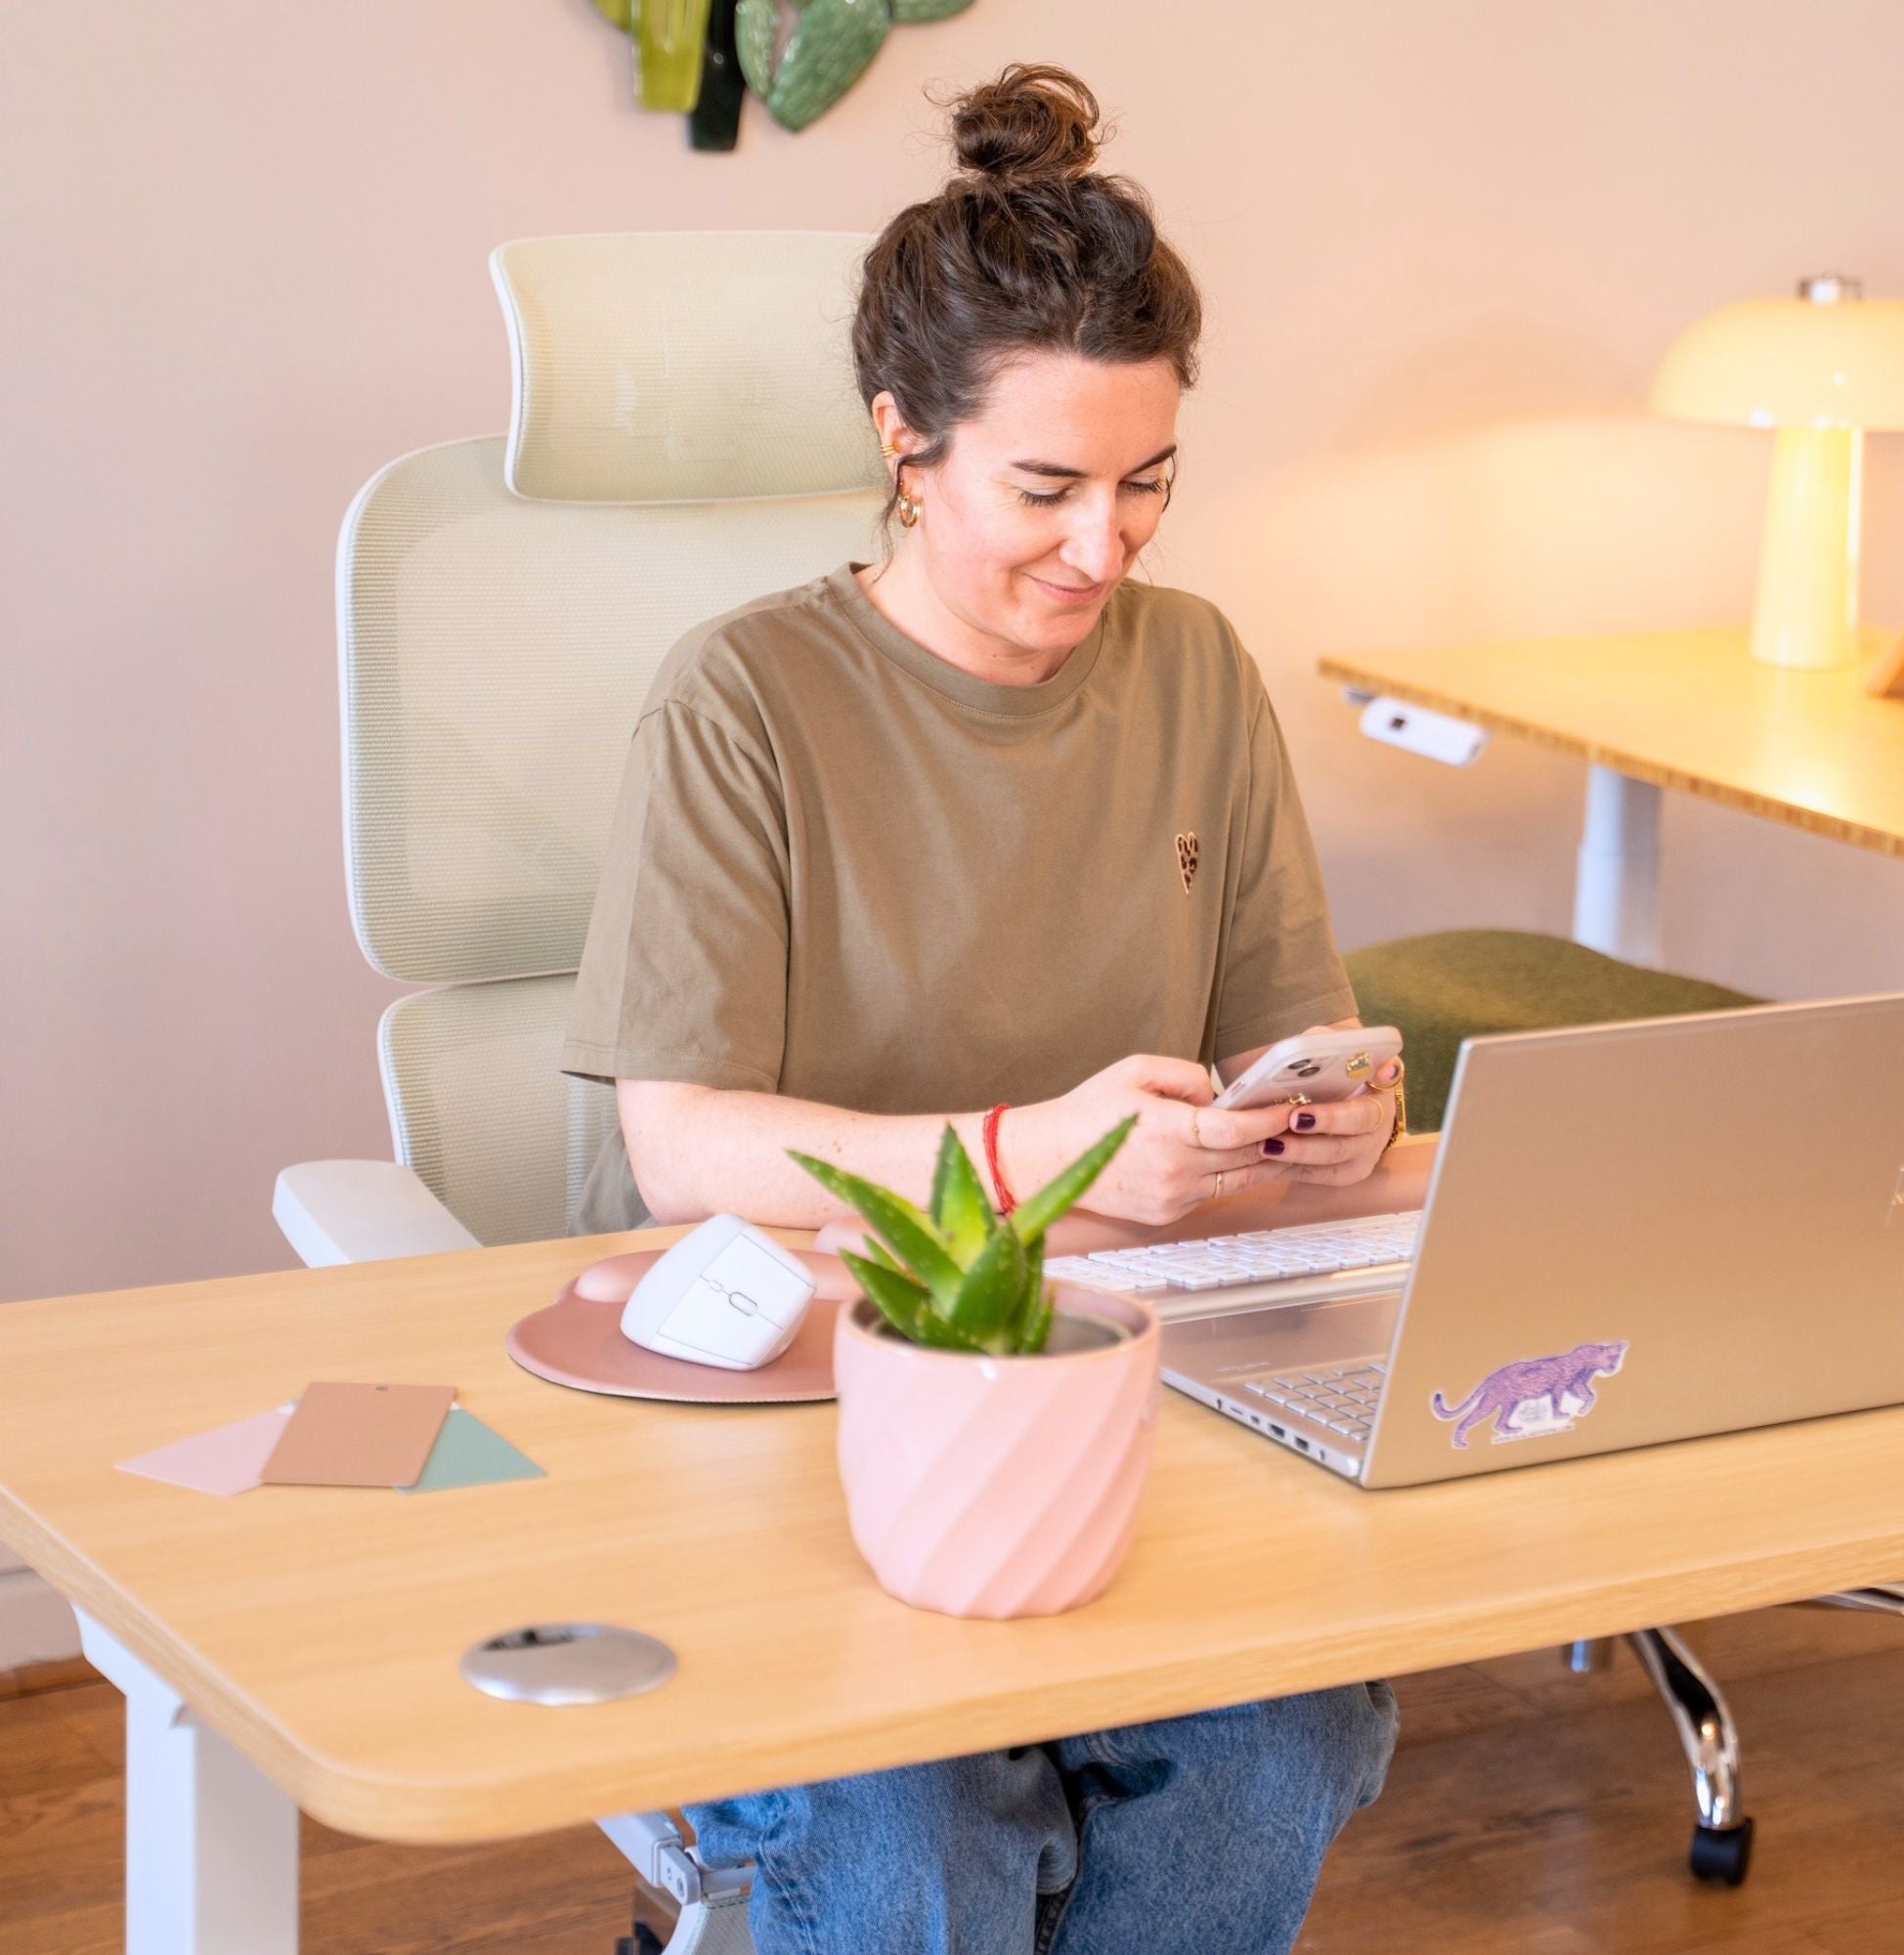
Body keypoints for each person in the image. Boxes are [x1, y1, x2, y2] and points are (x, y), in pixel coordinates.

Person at [564, 62, 1403, 1955]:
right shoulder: (743, 698)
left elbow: (1298, 1031)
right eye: (1043, 487)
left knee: (1290, 1727)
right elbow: (683, 1136)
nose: (1102, 549)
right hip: (795, 1397)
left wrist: (1320, 1112)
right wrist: (1043, 1150)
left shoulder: (1193, 669)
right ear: (902, 440)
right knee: (915, 1802)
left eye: (1146, 482)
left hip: (1126, 1386)